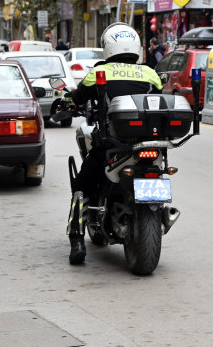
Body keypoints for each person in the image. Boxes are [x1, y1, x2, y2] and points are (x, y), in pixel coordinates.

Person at [64, 23, 163, 264]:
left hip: (112, 145)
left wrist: (66, 102)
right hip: (149, 143)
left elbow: (76, 99)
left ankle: (76, 240)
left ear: (107, 46)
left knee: (81, 185)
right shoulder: (150, 72)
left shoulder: (99, 73)